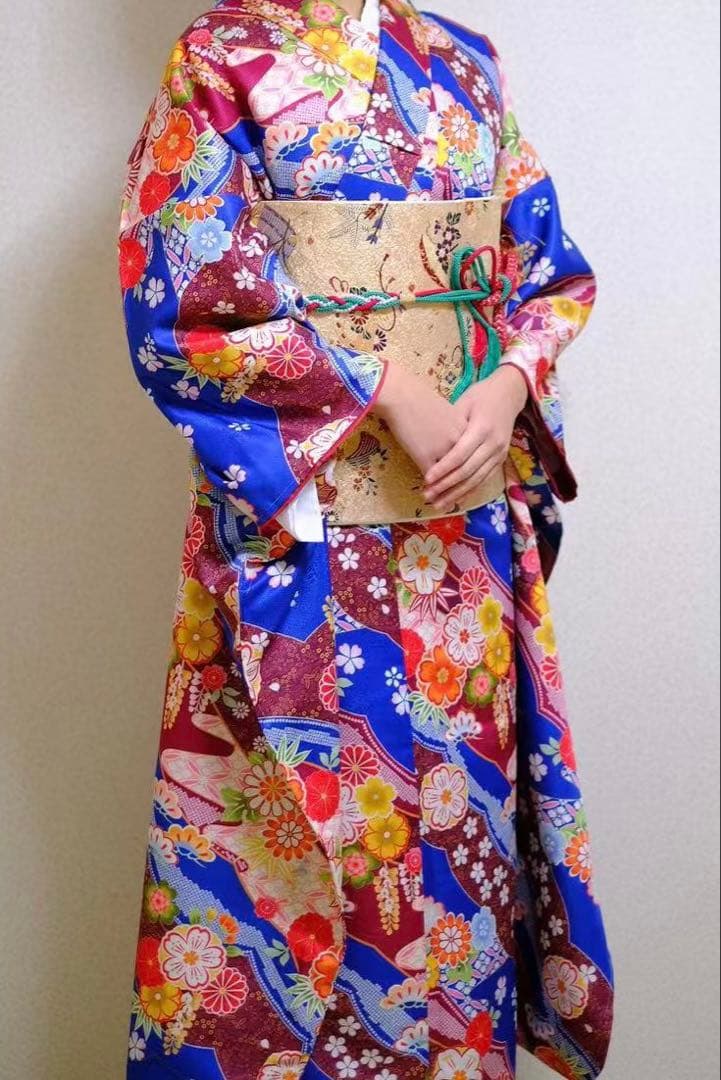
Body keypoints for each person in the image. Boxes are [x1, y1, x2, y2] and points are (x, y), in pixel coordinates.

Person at [118, 0, 614, 1076]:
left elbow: (544, 275)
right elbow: (184, 311)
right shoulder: (220, 58)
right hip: (310, 547)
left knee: (464, 856)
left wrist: (509, 384)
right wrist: (381, 384)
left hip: (461, 542)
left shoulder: (466, 62)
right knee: (310, 855)